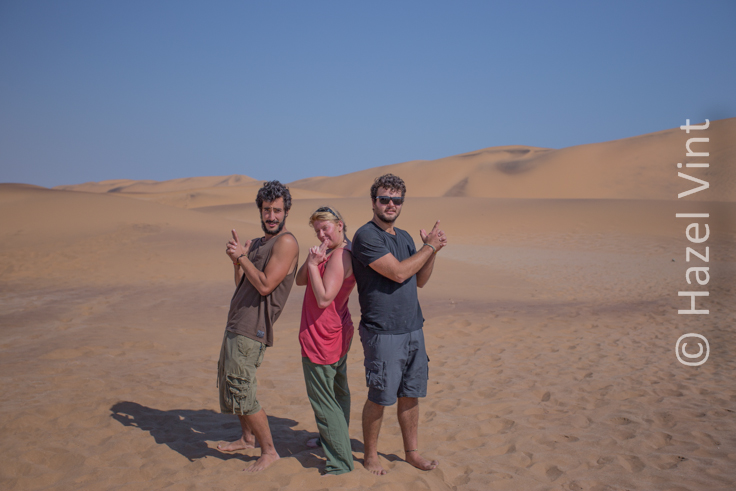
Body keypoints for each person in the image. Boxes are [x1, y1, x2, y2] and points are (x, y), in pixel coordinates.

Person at [351, 173, 447, 475]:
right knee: (380, 396)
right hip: (383, 332)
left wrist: (432, 251)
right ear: (373, 202)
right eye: (385, 199)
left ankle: (412, 453)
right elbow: (399, 273)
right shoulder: (366, 236)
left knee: (410, 394)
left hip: (413, 328)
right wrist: (428, 248)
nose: (391, 204)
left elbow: (420, 280)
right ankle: (370, 455)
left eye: (396, 200)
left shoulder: (404, 237)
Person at [216, 180, 300, 473]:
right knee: (231, 381)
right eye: (266, 210)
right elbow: (242, 284)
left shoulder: (285, 243)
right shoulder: (258, 243)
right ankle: (247, 438)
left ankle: (269, 451)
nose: (271, 216)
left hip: (254, 327)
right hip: (237, 321)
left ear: (286, 211)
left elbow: (265, 286)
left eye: (277, 210)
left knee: (242, 387)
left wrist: (242, 257)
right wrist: (236, 261)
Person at [295, 206, 356, 475]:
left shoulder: (341, 255)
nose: (321, 234)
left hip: (322, 336)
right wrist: (312, 261)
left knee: (324, 399)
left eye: (326, 228)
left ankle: (340, 462)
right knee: (338, 391)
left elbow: (323, 298)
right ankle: (331, 439)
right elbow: (300, 281)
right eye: (317, 230)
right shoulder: (332, 252)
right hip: (335, 331)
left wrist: (313, 265)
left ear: (340, 225)